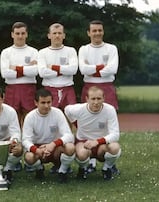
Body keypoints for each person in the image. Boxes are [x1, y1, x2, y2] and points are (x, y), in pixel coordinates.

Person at [78, 20, 119, 173]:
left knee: (108, 121)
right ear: (88, 33)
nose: (97, 33)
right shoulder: (83, 49)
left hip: (107, 86)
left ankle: (110, 160)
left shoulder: (111, 48)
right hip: (89, 86)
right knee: (87, 121)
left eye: (99, 30)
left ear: (103, 31)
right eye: (94, 31)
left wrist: (92, 68)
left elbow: (113, 68)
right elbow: (83, 69)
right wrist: (103, 66)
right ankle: (91, 160)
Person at [64, 86, 121, 180]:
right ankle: (82, 169)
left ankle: (107, 169)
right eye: (93, 99)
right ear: (87, 99)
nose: (96, 102)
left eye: (99, 98)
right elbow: (67, 110)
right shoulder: (79, 109)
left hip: (101, 145)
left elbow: (115, 135)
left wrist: (97, 142)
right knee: (82, 154)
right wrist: (75, 123)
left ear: (104, 98)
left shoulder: (110, 110)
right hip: (83, 142)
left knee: (115, 147)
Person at [22, 88, 75, 183]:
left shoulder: (58, 113)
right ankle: (39, 169)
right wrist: (36, 150)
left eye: (49, 102)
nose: (46, 106)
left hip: (54, 148)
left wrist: (53, 144)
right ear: (36, 103)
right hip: (38, 148)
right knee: (29, 157)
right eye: (43, 102)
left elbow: (69, 135)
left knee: (70, 147)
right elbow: (25, 140)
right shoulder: (30, 117)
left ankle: (62, 171)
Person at [0, 22, 39, 128]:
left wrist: (15, 68)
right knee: (13, 119)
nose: (20, 36)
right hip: (12, 88)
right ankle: (15, 143)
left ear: (27, 34)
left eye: (22, 33)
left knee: (29, 119)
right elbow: (5, 73)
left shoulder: (33, 51)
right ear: (12, 34)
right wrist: (27, 69)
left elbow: (35, 71)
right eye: (17, 33)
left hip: (29, 88)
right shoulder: (6, 52)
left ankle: (28, 143)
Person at [38, 23, 78, 111]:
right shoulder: (42, 52)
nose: (57, 36)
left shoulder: (71, 51)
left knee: (72, 118)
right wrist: (64, 70)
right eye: (54, 33)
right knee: (50, 118)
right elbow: (42, 72)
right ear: (49, 35)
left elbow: (73, 70)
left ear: (63, 35)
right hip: (49, 90)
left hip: (68, 88)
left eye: (59, 33)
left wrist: (52, 67)